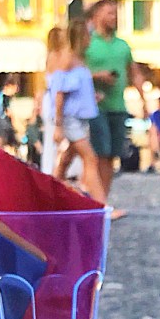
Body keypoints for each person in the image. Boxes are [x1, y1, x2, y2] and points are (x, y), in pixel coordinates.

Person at [83, 0, 149, 209]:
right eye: (109, 13)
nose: (114, 17)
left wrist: (144, 100)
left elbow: (134, 73)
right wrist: (97, 76)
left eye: (115, 13)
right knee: (100, 154)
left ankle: (101, 201)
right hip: (94, 108)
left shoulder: (123, 46)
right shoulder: (88, 43)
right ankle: (98, 203)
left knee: (111, 156)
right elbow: (74, 72)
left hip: (118, 107)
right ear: (97, 16)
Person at [51, 19, 105, 203]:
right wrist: (58, 125)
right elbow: (59, 92)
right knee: (90, 158)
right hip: (71, 119)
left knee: (66, 159)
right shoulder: (68, 60)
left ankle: (50, 194)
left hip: (79, 118)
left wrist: (91, 97)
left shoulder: (80, 60)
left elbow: (75, 89)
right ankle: (101, 205)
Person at [41, 26, 69, 174]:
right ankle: (60, 169)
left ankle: (49, 168)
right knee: (63, 134)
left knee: (50, 138)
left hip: (48, 99)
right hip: (56, 98)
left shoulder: (49, 57)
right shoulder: (60, 58)